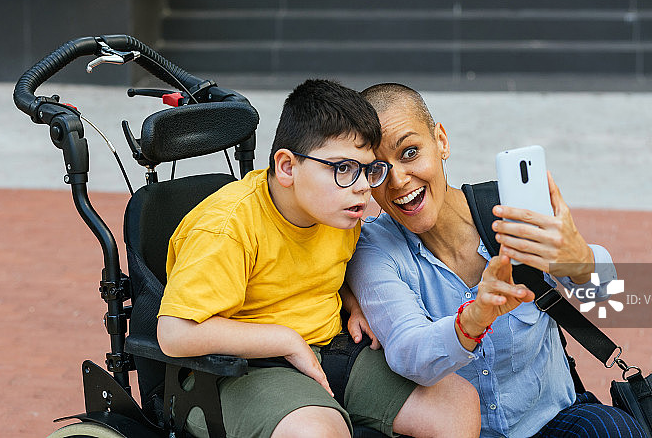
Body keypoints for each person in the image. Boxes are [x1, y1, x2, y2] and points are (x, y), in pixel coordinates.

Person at [157, 80, 480, 438]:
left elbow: (318, 271)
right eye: (343, 169)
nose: (363, 186)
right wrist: (286, 340)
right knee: (319, 432)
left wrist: (352, 303)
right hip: (242, 370)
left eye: (368, 170)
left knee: (457, 404)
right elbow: (174, 333)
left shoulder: (340, 214)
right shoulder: (227, 228)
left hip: (331, 351)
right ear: (287, 167)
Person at [347, 83, 647, 438]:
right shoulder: (374, 247)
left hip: (552, 421)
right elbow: (409, 352)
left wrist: (579, 260)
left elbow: (605, 296)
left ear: (441, 141)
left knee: (612, 429)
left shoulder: (509, 210)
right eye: (377, 169)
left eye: (410, 152)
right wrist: (474, 318)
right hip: (461, 432)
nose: (398, 180)